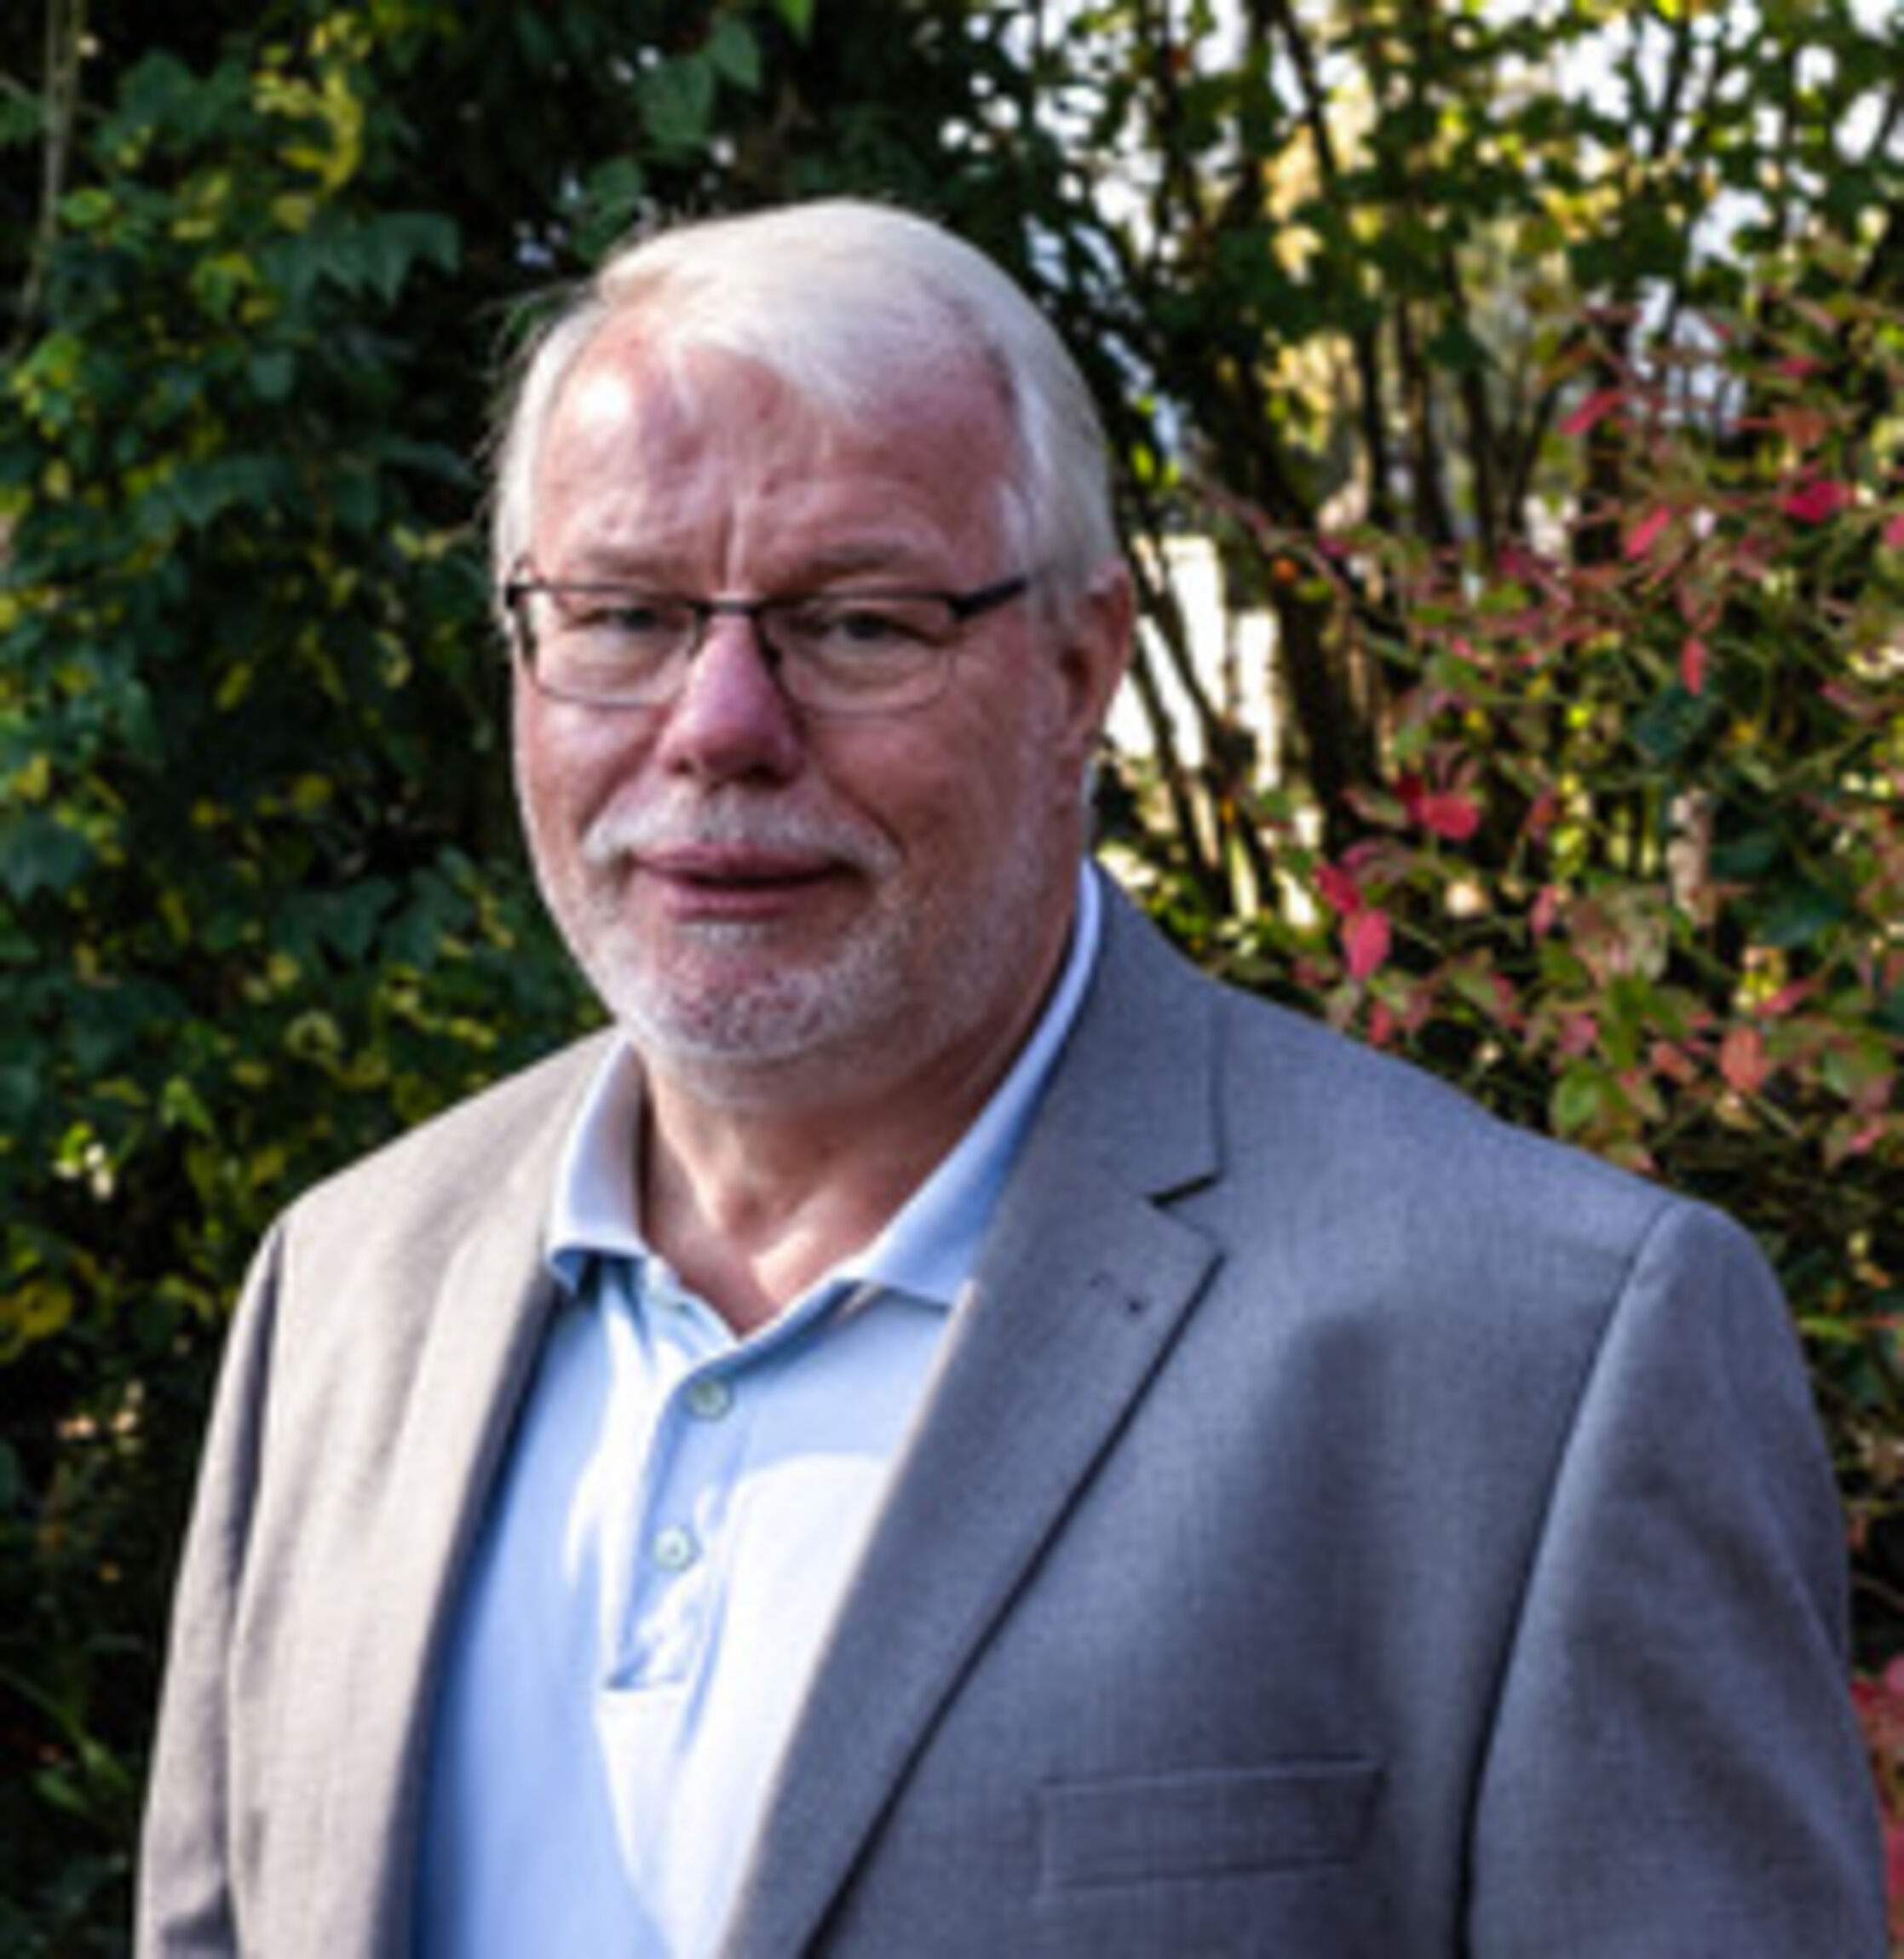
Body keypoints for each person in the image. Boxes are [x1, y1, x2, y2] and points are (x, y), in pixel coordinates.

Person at [138, 198, 1885, 1957]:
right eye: (623, 614)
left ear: (1078, 671)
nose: (720, 724)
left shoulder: (1539, 1356)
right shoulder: (344, 1294)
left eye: (857, 624)